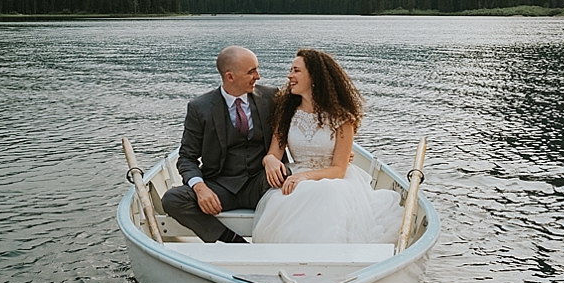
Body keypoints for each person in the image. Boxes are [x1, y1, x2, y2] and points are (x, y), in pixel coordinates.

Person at [253, 48, 403, 244]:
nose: (290, 75)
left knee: (326, 194)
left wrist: (304, 176)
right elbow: (273, 153)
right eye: (291, 70)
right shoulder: (286, 113)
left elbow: (339, 169)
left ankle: (324, 259)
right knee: (289, 198)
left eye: (296, 70)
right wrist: (270, 161)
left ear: (314, 77)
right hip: (297, 176)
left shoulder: (342, 118)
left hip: (333, 178)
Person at [162, 46, 278, 243]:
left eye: (256, 69)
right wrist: (200, 188)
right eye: (251, 71)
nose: (258, 76)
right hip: (221, 186)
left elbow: (304, 117)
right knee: (172, 200)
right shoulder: (200, 107)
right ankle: (231, 240)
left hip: (261, 183)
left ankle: (278, 242)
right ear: (230, 77)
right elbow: (187, 158)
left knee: (292, 183)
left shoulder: (272, 97)